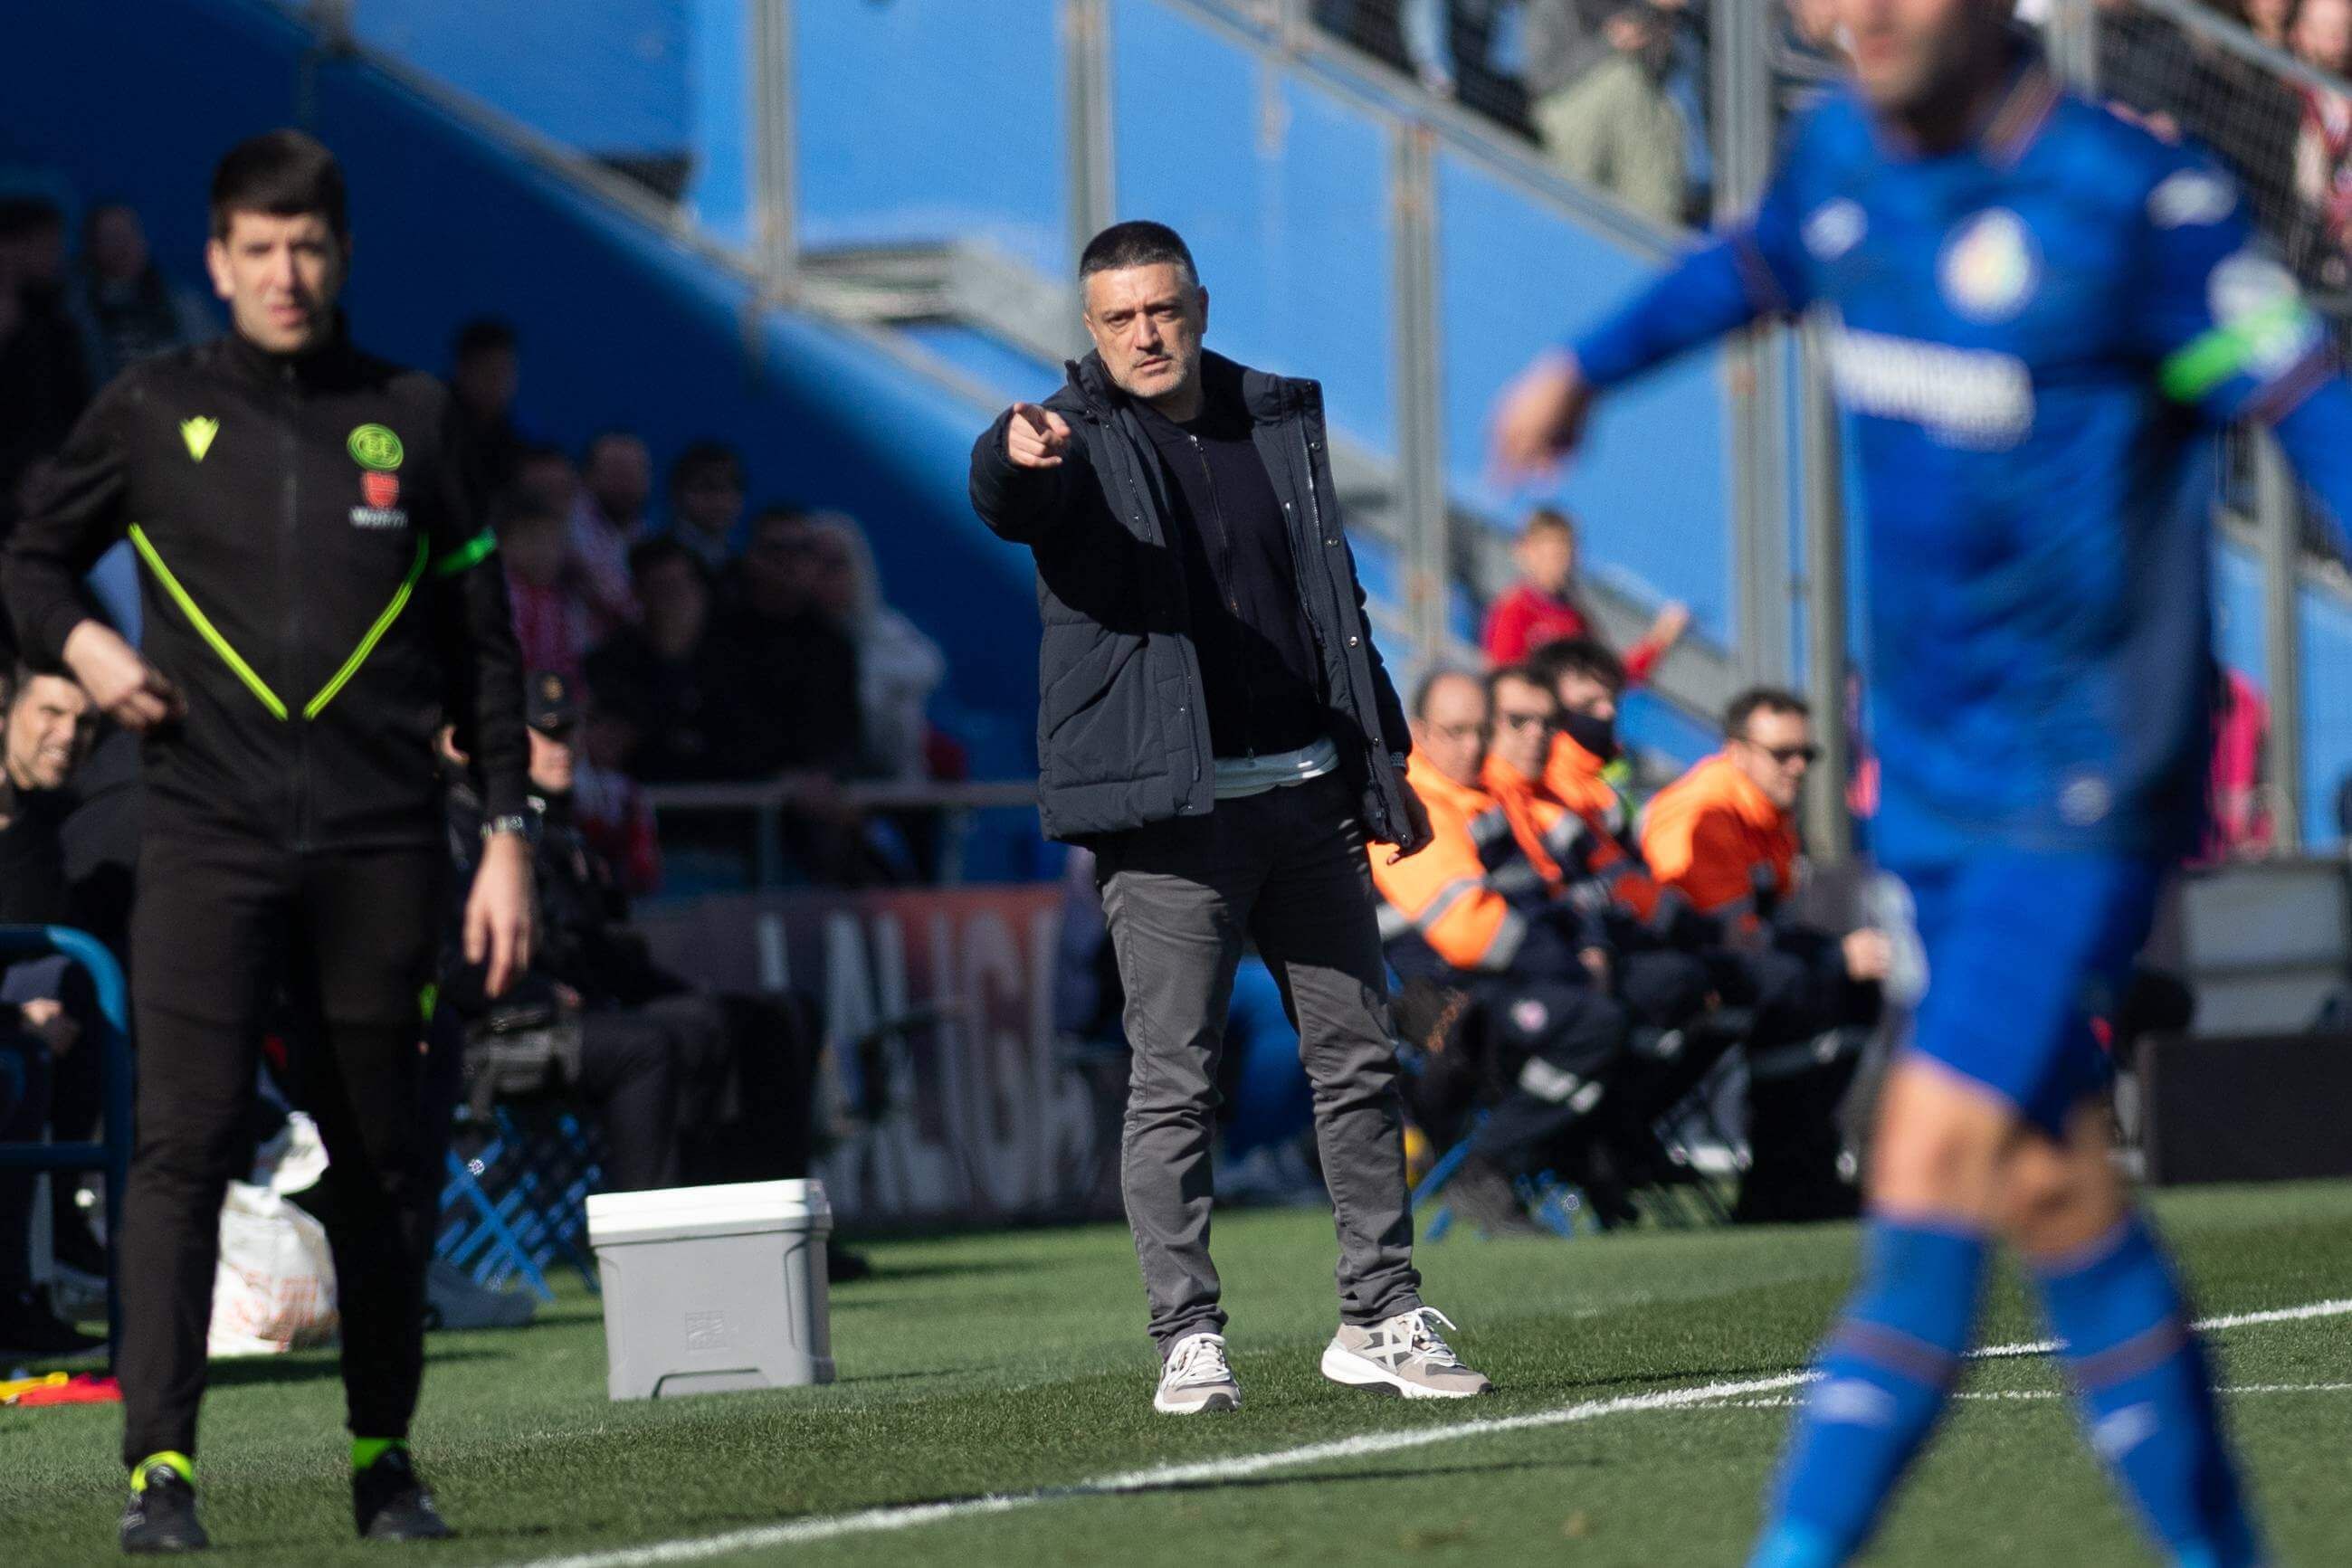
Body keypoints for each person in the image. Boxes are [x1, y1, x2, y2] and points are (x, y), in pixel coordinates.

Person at [1490, 0, 2352, 1558]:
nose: (1853, 17)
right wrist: (1578, 369)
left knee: (1923, 1168)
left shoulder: (2133, 203)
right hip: (1931, 793)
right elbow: (1748, 267)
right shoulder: (1844, 159)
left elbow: (2303, 405)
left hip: (2081, 783)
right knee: (2053, 1189)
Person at [5, 130, 530, 1553]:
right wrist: (93, 657)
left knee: (377, 1164)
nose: (284, 274)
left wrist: (506, 839)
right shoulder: (148, 404)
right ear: (218, 261)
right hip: (206, 834)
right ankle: (159, 1476)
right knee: (176, 1152)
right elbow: (28, 555)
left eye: (308, 248)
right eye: (257, 250)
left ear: (340, 256)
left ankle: (383, 1461)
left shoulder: (416, 418)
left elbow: (487, 651)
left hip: (382, 846)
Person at [969, 219, 1486, 1413]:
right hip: (1172, 819)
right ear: (1088, 332)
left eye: (1162, 309)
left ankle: (1379, 1312)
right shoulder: (1071, 445)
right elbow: (999, 496)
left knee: (1356, 1059)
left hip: (1306, 795)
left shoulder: (1271, 420)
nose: (1145, 334)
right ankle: (1186, 1336)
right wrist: (1007, 456)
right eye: (1118, 318)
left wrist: (1380, 759)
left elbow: (1333, 602)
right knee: (1173, 1080)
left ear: (1196, 303)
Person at [1373, 670, 1628, 1235]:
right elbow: (1469, 932)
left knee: (1655, 993)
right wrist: (1574, 963)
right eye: (1456, 731)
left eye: (1481, 731)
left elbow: (1556, 896)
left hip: (1516, 979)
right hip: (1455, 995)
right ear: (1419, 732)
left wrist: (1590, 947)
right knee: (1598, 1021)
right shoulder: (1410, 805)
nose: (1473, 745)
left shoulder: (1491, 794)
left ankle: (1588, 1157)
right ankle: (1486, 1165)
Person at [0, 666, 102, 1357]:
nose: (66, 737)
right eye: (50, 713)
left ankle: (29, 1284)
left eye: (83, 720)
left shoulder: (45, 833)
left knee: (75, 989)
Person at [709, 504, 861, 781]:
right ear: (752, 558)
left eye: (802, 549)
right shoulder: (718, 636)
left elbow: (846, 736)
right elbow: (721, 730)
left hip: (817, 805)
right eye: (777, 548)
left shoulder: (833, 644)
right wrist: (781, 776)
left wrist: (826, 774)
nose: (790, 560)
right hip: (739, 802)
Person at [799, 510, 945, 784]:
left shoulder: (885, 630)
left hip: (889, 783)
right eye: (813, 562)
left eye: (835, 564)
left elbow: (930, 667)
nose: (824, 575)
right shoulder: (788, 636)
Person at [1479, 507, 1687, 679]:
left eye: (1568, 554)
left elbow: (1609, 676)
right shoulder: (1515, 611)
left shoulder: (1575, 617)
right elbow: (1503, 681)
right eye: (1554, 555)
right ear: (1524, 553)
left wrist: (1658, 640)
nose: (1563, 564)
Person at [1529, 2, 1690, 224]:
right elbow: (1542, 79)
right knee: (1619, 81)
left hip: (1636, 126)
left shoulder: (1640, 8)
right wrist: (1609, 42)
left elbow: (1659, 74)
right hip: (1574, 117)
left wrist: (1660, 18)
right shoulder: (1552, 7)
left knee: (1637, 92)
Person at [0, 194, 90, 529]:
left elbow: (73, 405)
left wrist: (51, 465)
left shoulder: (58, 320)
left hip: (53, 474)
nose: (56, 255)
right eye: (45, 245)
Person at [65, 202, 216, 386]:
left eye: (129, 234)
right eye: (112, 238)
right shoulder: (76, 313)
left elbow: (212, 364)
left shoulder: (182, 302)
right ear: (92, 247)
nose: (123, 246)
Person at [496, 489, 595, 682]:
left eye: (553, 542)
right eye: (532, 539)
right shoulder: (502, 597)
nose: (544, 552)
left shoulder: (559, 601)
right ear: (502, 545)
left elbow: (567, 664)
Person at [567, 428, 651, 635]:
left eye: (634, 472)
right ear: (587, 477)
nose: (625, 484)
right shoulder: (566, 526)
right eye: (615, 472)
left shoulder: (648, 536)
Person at [446, 317, 524, 513]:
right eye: (491, 372)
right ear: (462, 370)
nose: (500, 384)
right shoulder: (428, 428)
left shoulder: (508, 440)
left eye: (506, 371)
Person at [662, 440, 749, 575]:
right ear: (677, 494)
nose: (720, 499)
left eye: (730, 488)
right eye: (708, 487)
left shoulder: (744, 568)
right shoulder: (654, 559)